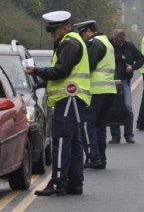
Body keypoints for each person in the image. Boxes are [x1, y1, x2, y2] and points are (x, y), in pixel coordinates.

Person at [26, 11, 91, 196]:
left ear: (65, 26)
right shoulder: (68, 41)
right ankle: (75, 183)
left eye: (54, 31)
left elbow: (61, 71)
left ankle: (57, 183)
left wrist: (37, 71)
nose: (52, 35)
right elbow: (63, 74)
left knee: (61, 140)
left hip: (68, 98)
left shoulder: (69, 43)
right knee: (74, 141)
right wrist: (42, 82)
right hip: (73, 98)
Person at [74, 20, 116, 169]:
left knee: (86, 123)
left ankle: (93, 157)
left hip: (96, 90)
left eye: (82, 33)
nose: (82, 37)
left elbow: (88, 66)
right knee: (100, 125)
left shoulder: (94, 43)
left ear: (88, 31)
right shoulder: (107, 43)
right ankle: (101, 158)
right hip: (109, 90)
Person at [109, 29, 144, 144]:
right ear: (114, 39)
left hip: (124, 80)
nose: (119, 43)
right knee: (112, 108)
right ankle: (115, 136)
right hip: (111, 81)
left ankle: (128, 135)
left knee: (127, 106)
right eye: (117, 41)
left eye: (121, 41)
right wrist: (121, 57)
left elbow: (141, 58)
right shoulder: (109, 45)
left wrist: (133, 67)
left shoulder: (129, 46)